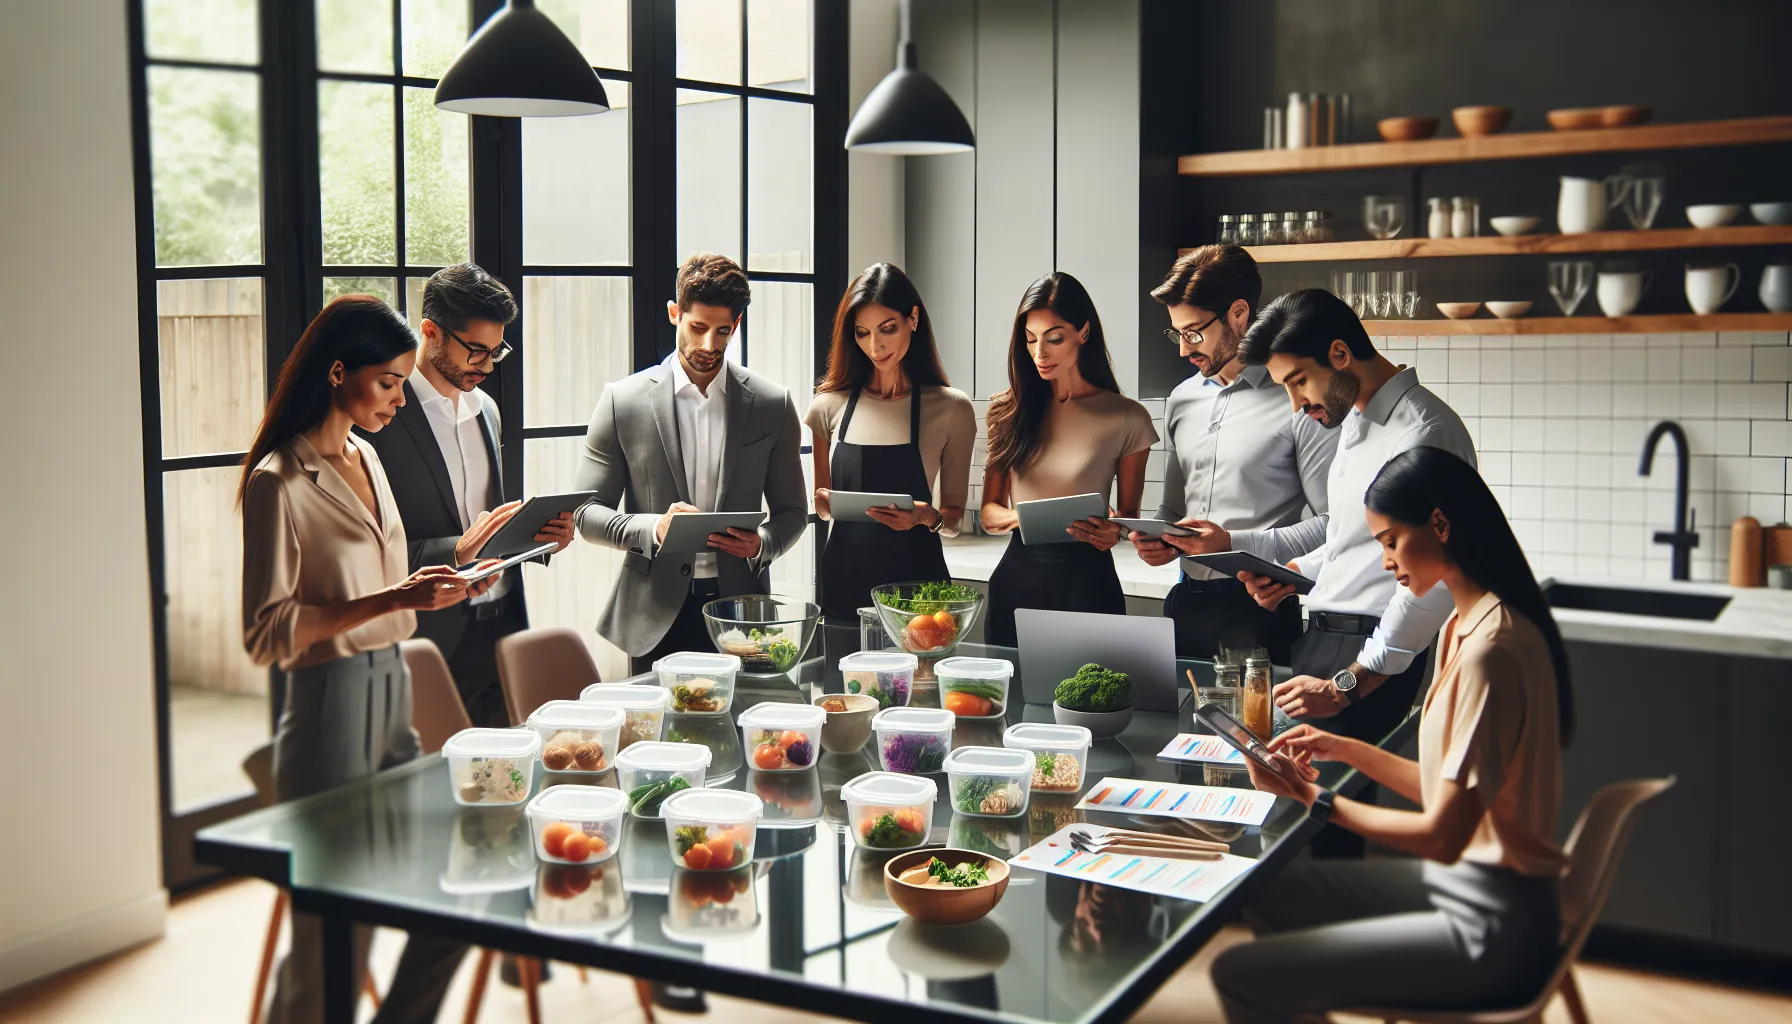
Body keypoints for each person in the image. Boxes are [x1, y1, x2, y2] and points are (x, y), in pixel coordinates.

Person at [1211, 445, 1575, 1023]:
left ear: (1440, 525)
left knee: (1240, 974)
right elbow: (1443, 787)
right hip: (1474, 886)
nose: (1385, 563)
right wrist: (1340, 748)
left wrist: (1310, 797)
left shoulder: (1492, 651)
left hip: (1492, 926)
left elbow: (1443, 836)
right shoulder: (1466, 623)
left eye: (1390, 542)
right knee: (1262, 891)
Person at [240, 296, 497, 1024]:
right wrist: (391, 599)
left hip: (393, 694)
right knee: (333, 950)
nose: (398, 399)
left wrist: (446, 577)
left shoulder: (370, 457)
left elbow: (389, 584)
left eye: (402, 383)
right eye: (387, 382)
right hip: (326, 707)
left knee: (462, 889)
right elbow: (266, 633)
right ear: (337, 373)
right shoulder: (278, 481)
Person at [1165, 291, 1476, 856]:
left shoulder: (1425, 433)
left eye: (1298, 382)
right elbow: (1348, 541)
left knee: (1317, 828)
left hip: (1371, 649)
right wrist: (1291, 571)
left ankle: (1322, 909)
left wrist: (1349, 683)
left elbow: (1430, 581)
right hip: (1325, 637)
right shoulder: (1354, 421)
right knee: (1288, 816)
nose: (1295, 403)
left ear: (1339, 354)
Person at [361, 263, 574, 728]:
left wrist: (540, 538)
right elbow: (367, 553)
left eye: (497, 352)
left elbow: (488, 528)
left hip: (502, 626)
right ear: (430, 332)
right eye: (476, 351)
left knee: (508, 764)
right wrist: (454, 553)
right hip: (425, 636)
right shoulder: (380, 417)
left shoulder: (487, 411)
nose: (488, 366)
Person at [573, 253, 807, 673]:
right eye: (698, 327)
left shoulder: (773, 404)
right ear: (674, 314)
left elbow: (792, 511)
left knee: (747, 715)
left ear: (736, 324)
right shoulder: (621, 401)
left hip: (742, 613)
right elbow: (585, 513)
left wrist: (763, 543)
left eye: (723, 331)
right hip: (653, 615)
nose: (709, 345)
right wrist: (654, 528)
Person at [1131, 246, 1336, 663]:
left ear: (1239, 313)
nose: (1183, 350)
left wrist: (1233, 545)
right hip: (1184, 605)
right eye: (1177, 333)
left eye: (1194, 333)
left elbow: (1334, 523)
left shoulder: (1296, 398)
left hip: (1258, 611)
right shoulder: (1182, 398)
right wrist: (1156, 538)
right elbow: (1174, 508)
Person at [979, 272, 1158, 648]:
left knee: (1095, 685)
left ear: (1084, 333)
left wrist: (1114, 530)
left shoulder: (1127, 417)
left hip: (1087, 587)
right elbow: (990, 513)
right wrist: (1032, 517)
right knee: (1010, 687)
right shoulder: (1007, 411)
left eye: (1054, 338)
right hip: (1015, 585)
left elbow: (1128, 517)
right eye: (1030, 339)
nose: (1039, 354)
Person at [806, 263, 977, 622]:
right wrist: (824, 501)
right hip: (844, 584)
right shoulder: (828, 406)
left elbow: (953, 519)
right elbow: (823, 508)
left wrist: (925, 517)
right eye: (862, 333)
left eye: (887, 329)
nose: (875, 346)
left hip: (920, 591)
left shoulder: (951, 408)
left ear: (913, 319)